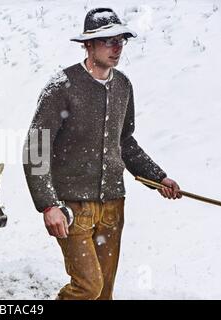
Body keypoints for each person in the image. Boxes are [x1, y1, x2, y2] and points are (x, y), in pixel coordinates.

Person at [23, 7, 182, 300]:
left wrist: (159, 177)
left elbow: (125, 142)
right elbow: (35, 147)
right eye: (108, 40)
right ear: (89, 44)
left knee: (104, 293)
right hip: (73, 208)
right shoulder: (62, 87)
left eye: (120, 40)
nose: (117, 47)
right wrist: (48, 205)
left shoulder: (122, 85)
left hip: (112, 206)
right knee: (88, 287)